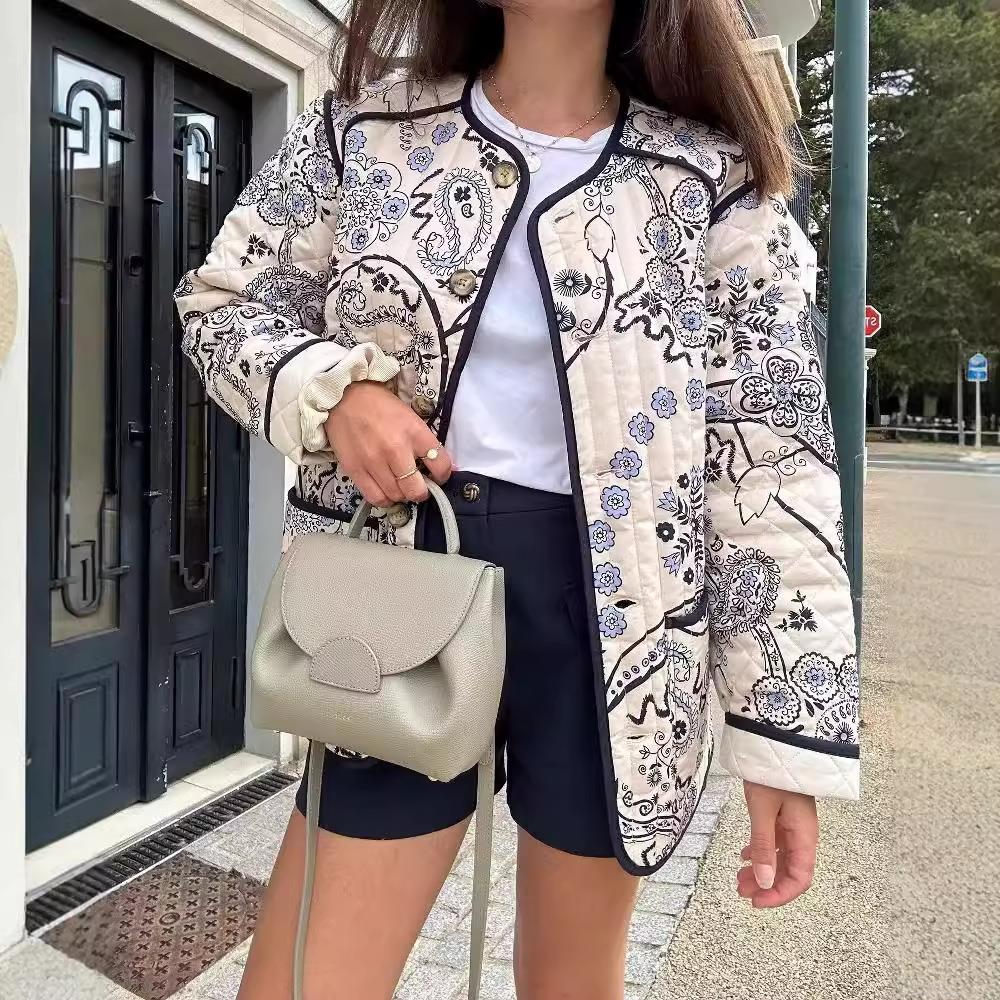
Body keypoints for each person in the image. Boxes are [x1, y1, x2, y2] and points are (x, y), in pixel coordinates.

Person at [174, 1, 861, 996]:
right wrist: (336, 393)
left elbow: (770, 459)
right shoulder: (364, 130)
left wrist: (785, 742)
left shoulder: (713, 179)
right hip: (399, 588)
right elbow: (224, 304)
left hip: (623, 628)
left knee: (571, 983)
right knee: (303, 982)